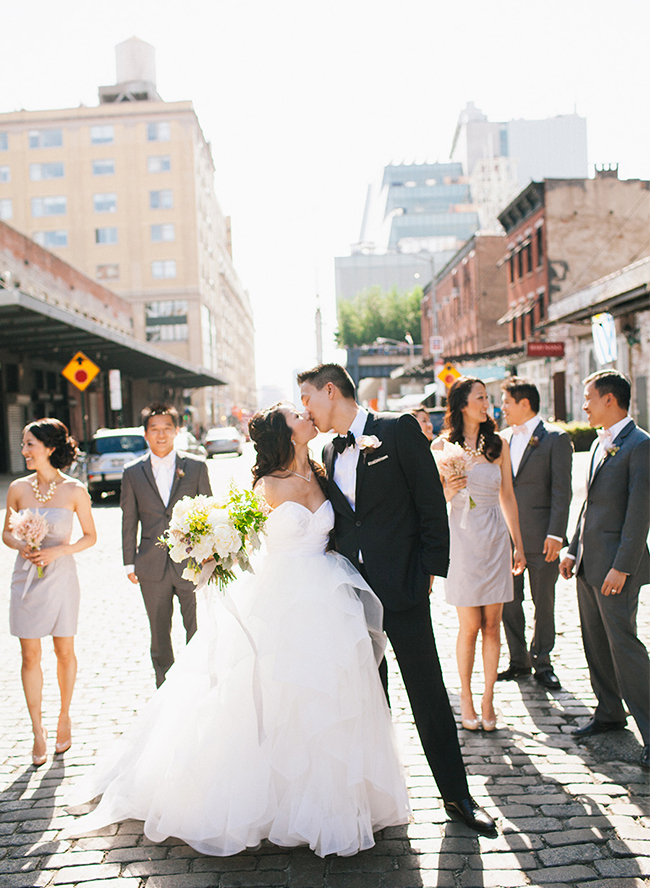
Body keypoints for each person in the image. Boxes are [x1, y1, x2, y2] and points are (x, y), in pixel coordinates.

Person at [66, 403, 409, 857]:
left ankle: (330, 801)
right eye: (296, 417)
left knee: (330, 696)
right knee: (274, 695)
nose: (307, 417)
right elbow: (235, 534)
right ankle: (272, 799)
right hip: (280, 598)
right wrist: (209, 548)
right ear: (285, 435)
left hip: (329, 594)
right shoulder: (264, 486)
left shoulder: (325, 470)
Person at [298, 363, 496, 835]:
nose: (305, 408)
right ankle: (377, 802)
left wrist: (429, 570)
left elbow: (429, 502)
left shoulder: (397, 428)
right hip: (351, 596)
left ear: (330, 390)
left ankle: (458, 798)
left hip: (403, 590)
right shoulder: (325, 448)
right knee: (368, 699)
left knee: (427, 694)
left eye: (306, 397)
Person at [560, 370, 650, 770]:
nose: (584, 406)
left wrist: (622, 568)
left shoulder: (640, 445)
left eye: (588, 398)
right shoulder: (599, 444)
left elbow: (638, 515)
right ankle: (609, 712)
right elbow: (589, 505)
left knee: (625, 648)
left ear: (610, 399)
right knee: (594, 643)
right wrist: (572, 549)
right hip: (587, 564)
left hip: (616, 569)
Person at [3, 418, 97, 766]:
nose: (24, 450)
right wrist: (22, 544)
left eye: (30, 444)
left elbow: (90, 536)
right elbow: (6, 533)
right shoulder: (17, 488)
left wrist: (58, 550)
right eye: (24, 444)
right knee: (29, 655)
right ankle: (37, 729)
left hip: (61, 579)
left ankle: (64, 717)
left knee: (63, 651)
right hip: (25, 579)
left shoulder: (74, 490)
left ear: (50, 448)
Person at [433, 377, 525, 733]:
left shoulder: (498, 444)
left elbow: (509, 497)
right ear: (461, 404)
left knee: (492, 625)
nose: (487, 403)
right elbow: (431, 503)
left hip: (494, 539)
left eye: (488, 397)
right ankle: (467, 698)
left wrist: (517, 543)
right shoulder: (442, 445)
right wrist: (447, 489)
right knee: (469, 626)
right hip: (462, 539)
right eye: (481, 397)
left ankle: (488, 698)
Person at [121, 403, 212, 687]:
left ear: (177, 431)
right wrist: (129, 561)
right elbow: (129, 518)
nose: (161, 435)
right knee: (159, 634)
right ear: (145, 434)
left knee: (197, 628)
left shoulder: (195, 467)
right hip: (150, 565)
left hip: (191, 562)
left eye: (167, 429)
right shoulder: (132, 472)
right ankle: (165, 689)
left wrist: (210, 556)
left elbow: (208, 512)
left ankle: (199, 682)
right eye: (154, 430)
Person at [498, 377, 573, 690]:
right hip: (506, 538)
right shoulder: (500, 440)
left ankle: (543, 661)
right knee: (509, 603)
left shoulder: (555, 438)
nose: (502, 408)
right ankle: (519, 662)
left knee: (544, 603)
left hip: (543, 538)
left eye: (506, 402)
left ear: (524, 404)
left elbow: (561, 490)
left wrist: (556, 533)